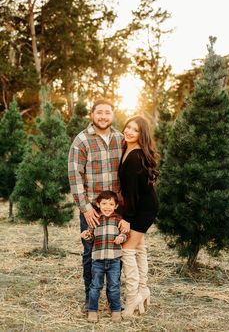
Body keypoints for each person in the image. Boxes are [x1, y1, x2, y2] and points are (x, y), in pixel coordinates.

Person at [68, 99, 127, 312]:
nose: (103, 116)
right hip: (92, 209)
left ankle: (114, 297)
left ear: (112, 115)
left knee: (117, 250)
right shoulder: (82, 140)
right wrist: (85, 207)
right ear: (92, 114)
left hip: (116, 209)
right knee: (90, 252)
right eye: (99, 112)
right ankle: (89, 297)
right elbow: (75, 175)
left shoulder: (121, 139)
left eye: (107, 112)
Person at [118, 115, 159, 318]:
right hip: (142, 205)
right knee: (139, 247)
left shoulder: (135, 156)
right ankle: (143, 290)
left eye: (135, 130)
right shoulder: (128, 149)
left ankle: (132, 297)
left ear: (142, 135)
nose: (129, 131)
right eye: (128, 127)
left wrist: (127, 218)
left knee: (127, 249)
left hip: (143, 208)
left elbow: (132, 192)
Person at [81, 190, 127, 323]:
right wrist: (86, 235)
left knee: (114, 285)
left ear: (116, 206)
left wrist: (121, 237)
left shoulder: (118, 219)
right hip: (98, 261)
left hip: (114, 260)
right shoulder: (95, 220)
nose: (107, 207)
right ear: (98, 204)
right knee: (95, 286)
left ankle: (116, 310)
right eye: (104, 203)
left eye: (111, 204)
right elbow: (91, 237)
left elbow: (125, 234)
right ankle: (92, 310)